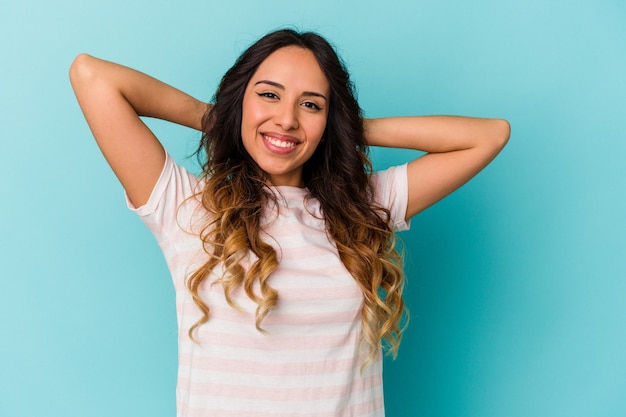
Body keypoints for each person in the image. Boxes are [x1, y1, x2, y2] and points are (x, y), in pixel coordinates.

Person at [70, 29, 509, 417]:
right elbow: (92, 76)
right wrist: (222, 118)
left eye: (311, 105)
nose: (286, 119)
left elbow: (489, 135)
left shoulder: (365, 206)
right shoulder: (187, 206)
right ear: (240, 98)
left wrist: (346, 127)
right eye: (268, 94)